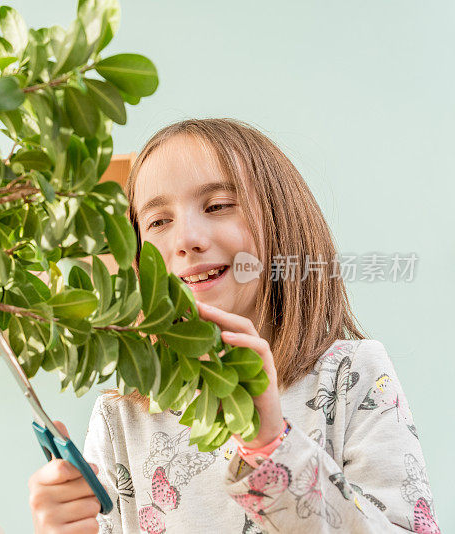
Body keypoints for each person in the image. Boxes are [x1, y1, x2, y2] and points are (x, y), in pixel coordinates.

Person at [27, 119, 439, 533]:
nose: (186, 238)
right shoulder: (121, 418)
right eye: (157, 221)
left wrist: (272, 449)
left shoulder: (351, 376)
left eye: (218, 205)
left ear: (281, 219)